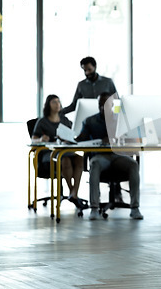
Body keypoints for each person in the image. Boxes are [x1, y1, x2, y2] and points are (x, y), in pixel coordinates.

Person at [76, 92, 143, 220]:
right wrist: (69, 139)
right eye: (100, 103)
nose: (103, 106)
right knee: (94, 164)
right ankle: (94, 208)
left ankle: (135, 208)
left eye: (106, 103)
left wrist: (115, 139)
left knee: (133, 164)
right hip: (100, 158)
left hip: (119, 156)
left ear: (112, 104)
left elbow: (132, 139)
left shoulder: (121, 120)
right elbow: (80, 140)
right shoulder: (90, 121)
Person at [31, 94, 85, 209]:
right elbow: (33, 139)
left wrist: (70, 138)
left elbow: (73, 134)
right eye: (54, 102)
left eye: (58, 102)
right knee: (65, 160)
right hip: (48, 154)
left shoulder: (65, 120)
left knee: (79, 159)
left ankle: (73, 193)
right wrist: (41, 139)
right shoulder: (42, 121)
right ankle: (73, 193)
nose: (57, 104)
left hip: (65, 150)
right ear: (48, 105)